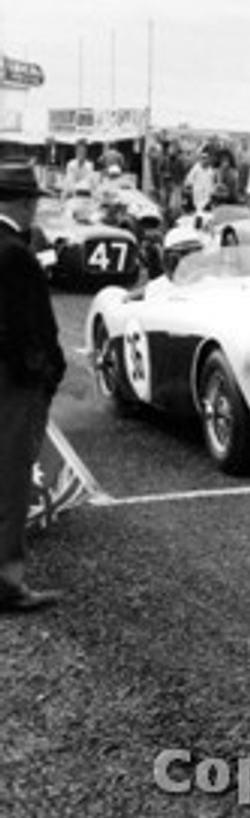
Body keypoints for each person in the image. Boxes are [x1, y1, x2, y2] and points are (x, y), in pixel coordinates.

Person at [0, 162, 66, 612]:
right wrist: (48, 371)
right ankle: (7, 582)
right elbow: (34, 327)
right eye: (33, 201)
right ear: (22, 203)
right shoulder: (15, 253)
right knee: (10, 478)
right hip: (11, 381)